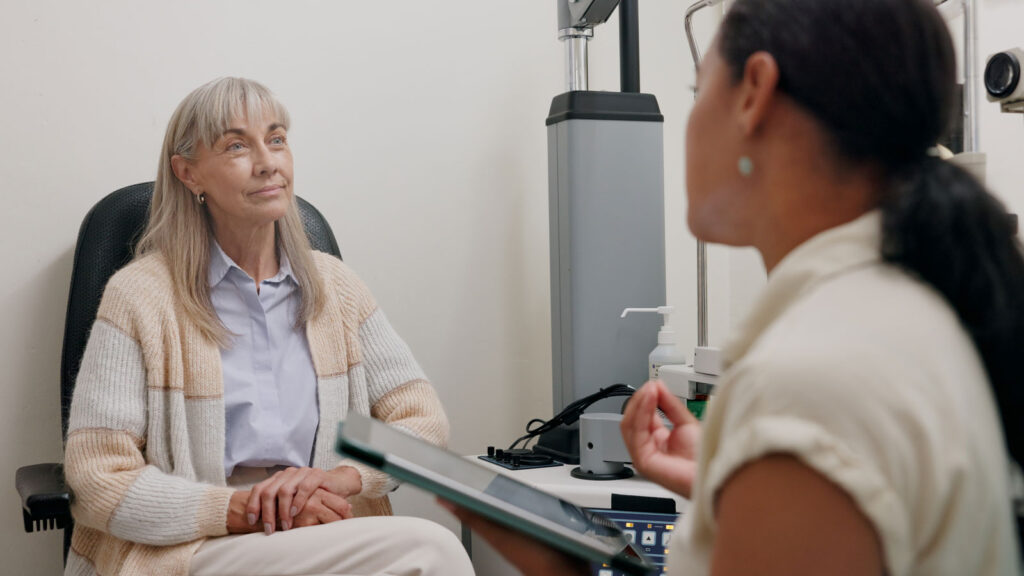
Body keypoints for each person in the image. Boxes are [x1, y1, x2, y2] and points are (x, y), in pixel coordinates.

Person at [447, 0, 1023, 574]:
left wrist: (558, 572)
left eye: (699, 90)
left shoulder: (811, 379)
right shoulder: (909, 311)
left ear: (754, 92)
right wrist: (734, 480)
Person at [63, 77, 475, 576]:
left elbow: (423, 424)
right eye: (237, 145)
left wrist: (338, 481)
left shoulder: (336, 288)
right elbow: (96, 477)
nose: (268, 162)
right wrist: (242, 510)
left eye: (276, 139)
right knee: (432, 551)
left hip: (321, 529)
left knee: (431, 549)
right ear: (188, 173)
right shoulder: (140, 298)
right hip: (199, 544)